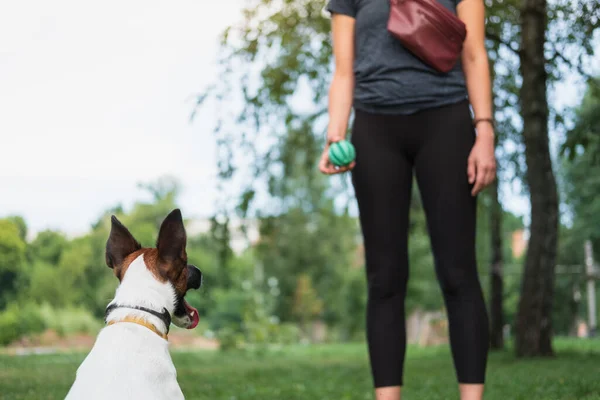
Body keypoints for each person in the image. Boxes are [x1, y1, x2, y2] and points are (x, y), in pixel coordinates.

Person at [319, 0, 496, 399]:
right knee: (384, 278)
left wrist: (484, 131)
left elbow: (474, 54)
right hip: (375, 129)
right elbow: (344, 71)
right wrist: (335, 135)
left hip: (446, 121)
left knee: (458, 273)